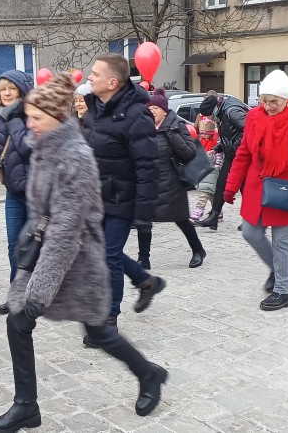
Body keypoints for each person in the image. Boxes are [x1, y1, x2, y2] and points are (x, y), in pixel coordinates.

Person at [0, 72, 167, 433]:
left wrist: (39, 291)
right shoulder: (43, 147)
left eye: (36, 117)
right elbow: (40, 213)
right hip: (43, 254)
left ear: (56, 117)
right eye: (28, 116)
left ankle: (149, 374)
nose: (30, 123)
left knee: (99, 333)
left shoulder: (76, 157)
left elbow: (66, 231)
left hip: (79, 263)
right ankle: (26, 407)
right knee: (17, 322)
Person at [223, 70, 288, 311]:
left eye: (275, 101)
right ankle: (278, 267)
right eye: (265, 101)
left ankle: (282, 291)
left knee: (283, 241)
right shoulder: (253, 117)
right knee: (250, 232)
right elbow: (243, 153)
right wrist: (230, 186)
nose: (269, 106)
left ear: (287, 98)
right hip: (258, 188)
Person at [82, 53, 167, 333]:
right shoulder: (93, 107)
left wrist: (144, 215)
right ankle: (145, 281)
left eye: (95, 74)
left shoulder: (136, 115)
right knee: (102, 252)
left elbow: (147, 167)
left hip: (122, 197)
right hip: (96, 197)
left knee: (108, 256)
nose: (89, 77)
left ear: (112, 82)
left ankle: (109, 319)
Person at [136, 88, 207, 269]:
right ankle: (143, 258)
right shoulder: (143, 127)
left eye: (156, 108)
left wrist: (172, 135)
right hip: (149, 182)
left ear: (165, 110)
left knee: (181, 219)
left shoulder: (177, 126)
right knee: (144, 220)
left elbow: (190, 153)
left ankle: (198, 250)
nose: (152, 111)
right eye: (149, 108)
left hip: (172, 183)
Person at [0, 70, 33, 314]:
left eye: (11, 88)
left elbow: (27, 148)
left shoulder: (32, 115)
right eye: (2, 89)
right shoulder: (1, 119)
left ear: (21, 91)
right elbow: (7, 148)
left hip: (36, 190)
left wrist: (16, 119)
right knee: (14, 244)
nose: (6, 93)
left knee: (36, 244)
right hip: (14, 191)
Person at [195, 90, 249, 230]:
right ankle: (213, 217)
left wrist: (234, 147)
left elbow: (249, 130)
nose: (210, 119)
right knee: (221, 183)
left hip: (243, 155)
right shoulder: (222, 109)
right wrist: (217, 148)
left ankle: (250, 221)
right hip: (232, 154)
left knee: (245, 187)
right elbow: (228, 136)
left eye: (209, 116)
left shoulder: (231, 110)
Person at [190, 116, 221, 223]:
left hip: (212, 171)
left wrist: (216, 166)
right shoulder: (200, 141)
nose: (203, 135)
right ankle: (217, 211)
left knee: (204, 192)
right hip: (203, 170)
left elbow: (219, 157)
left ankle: (197, 213)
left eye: (205, 133)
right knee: (210, 193)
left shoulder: (216, 144)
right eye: (201, 132)